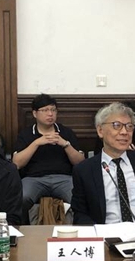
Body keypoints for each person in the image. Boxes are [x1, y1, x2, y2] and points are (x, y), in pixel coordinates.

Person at [12, 94, 84, 224]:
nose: (50, 114)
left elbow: (80, 162)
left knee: (79, 198)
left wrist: (65, 144)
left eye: (53, 110)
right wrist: (36, 143)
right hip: (34, 179)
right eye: (45, 110)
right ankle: (21, 230)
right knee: (22, 197)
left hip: (64, 178)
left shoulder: (66, 132)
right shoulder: (26, 134)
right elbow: (17, 163)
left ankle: (79, 230)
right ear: (35, 113)